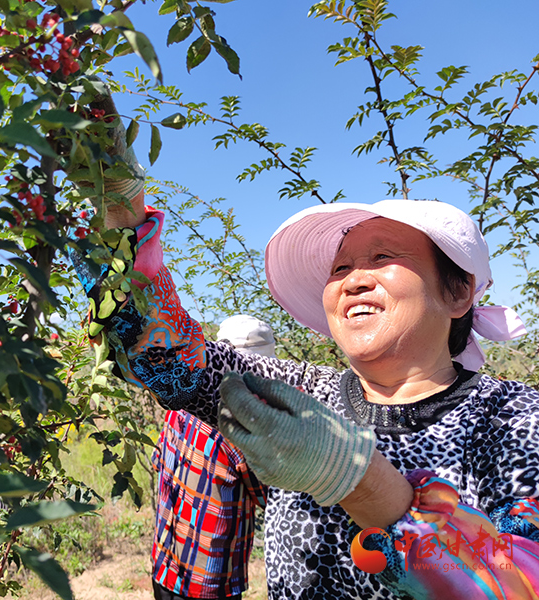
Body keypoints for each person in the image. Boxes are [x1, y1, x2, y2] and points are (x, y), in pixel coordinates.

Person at [71, 107, 539, 598]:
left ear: (459, 292)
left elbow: (520, 582)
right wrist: (123, 216)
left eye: (383, 258)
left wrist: (360, 481)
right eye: (340, 268)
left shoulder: (513, 420)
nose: (353, 280)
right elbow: (172, 360)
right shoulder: (303, 394)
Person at [151, 316, 274, 600]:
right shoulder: (243, 428)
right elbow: (270, 496)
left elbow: (160, 461)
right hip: (210, 580)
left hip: (167, 565)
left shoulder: (181, 404)